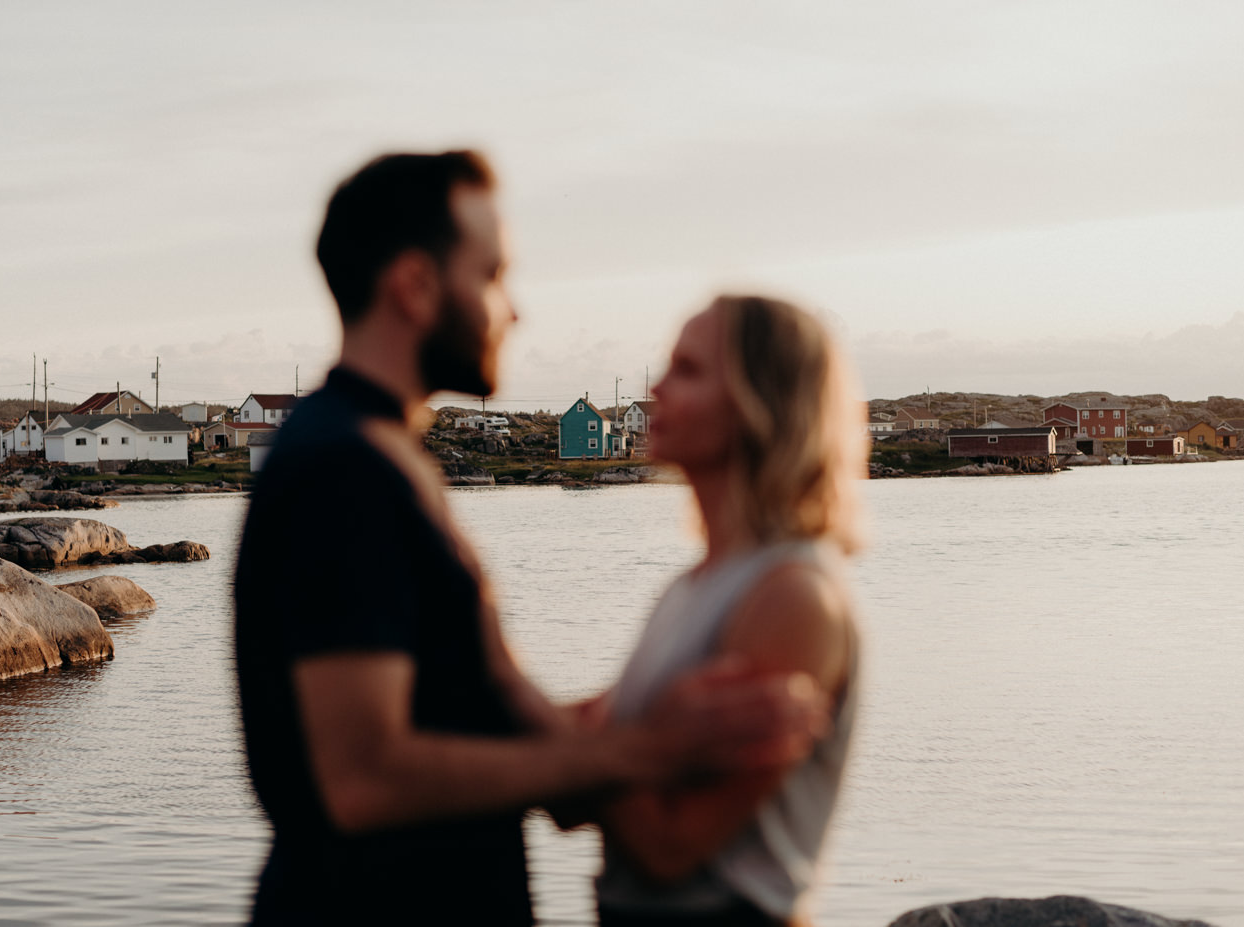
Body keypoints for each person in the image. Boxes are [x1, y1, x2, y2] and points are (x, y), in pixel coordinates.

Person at [232, 152, 832, 925]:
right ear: (415, 286)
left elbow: (487, 698)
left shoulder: (383, 455)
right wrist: (641, 751)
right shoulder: (343, 468)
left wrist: (603, 736)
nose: (512, 310)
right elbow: (363, 776)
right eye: (492, 275)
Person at [592, 294, 865, 927]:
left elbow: (671, 846)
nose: (656, 389)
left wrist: (588, 746)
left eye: (687, 371)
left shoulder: (794, 596)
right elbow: (618, 752)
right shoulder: (694, 586)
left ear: (756, 401)